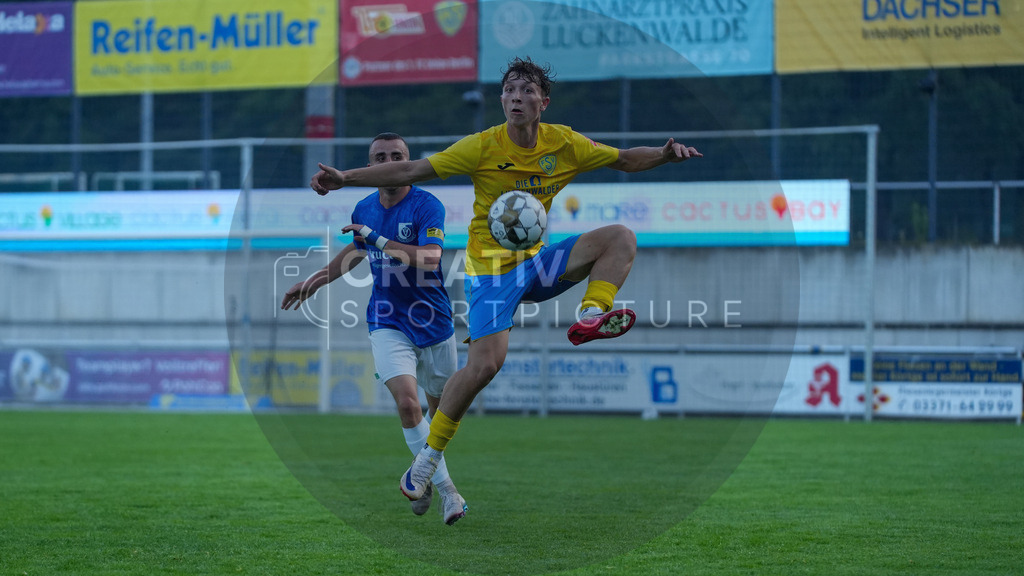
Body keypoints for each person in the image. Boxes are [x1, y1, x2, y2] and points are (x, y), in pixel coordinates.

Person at [308, 57, 703, 505]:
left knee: (620, 238)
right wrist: (344, 178)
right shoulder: (481, 146)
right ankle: (427, 460)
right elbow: (408, 171)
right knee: (483, 367)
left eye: (527, 91)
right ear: (502, 100)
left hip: (536, 264)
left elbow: (625, 159)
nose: (517, 97)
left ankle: (593, 313)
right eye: (510, 90)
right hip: (489, 271)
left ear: (543, 102)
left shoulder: (565, 143)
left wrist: (664, 154)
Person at [282, 132, 468, 525]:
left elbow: (431, 259)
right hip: (386, 319)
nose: (387, 161)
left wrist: (376, 239)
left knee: (440, 416)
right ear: (369, 166)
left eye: (396, 156)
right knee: (406, 402)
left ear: (408, 162)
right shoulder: (365, 206)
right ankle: (451, 493)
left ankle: (427, 477)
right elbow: (355, 252)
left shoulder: (426, 205)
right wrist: (313, 280)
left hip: (434, 322)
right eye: (379, 156)